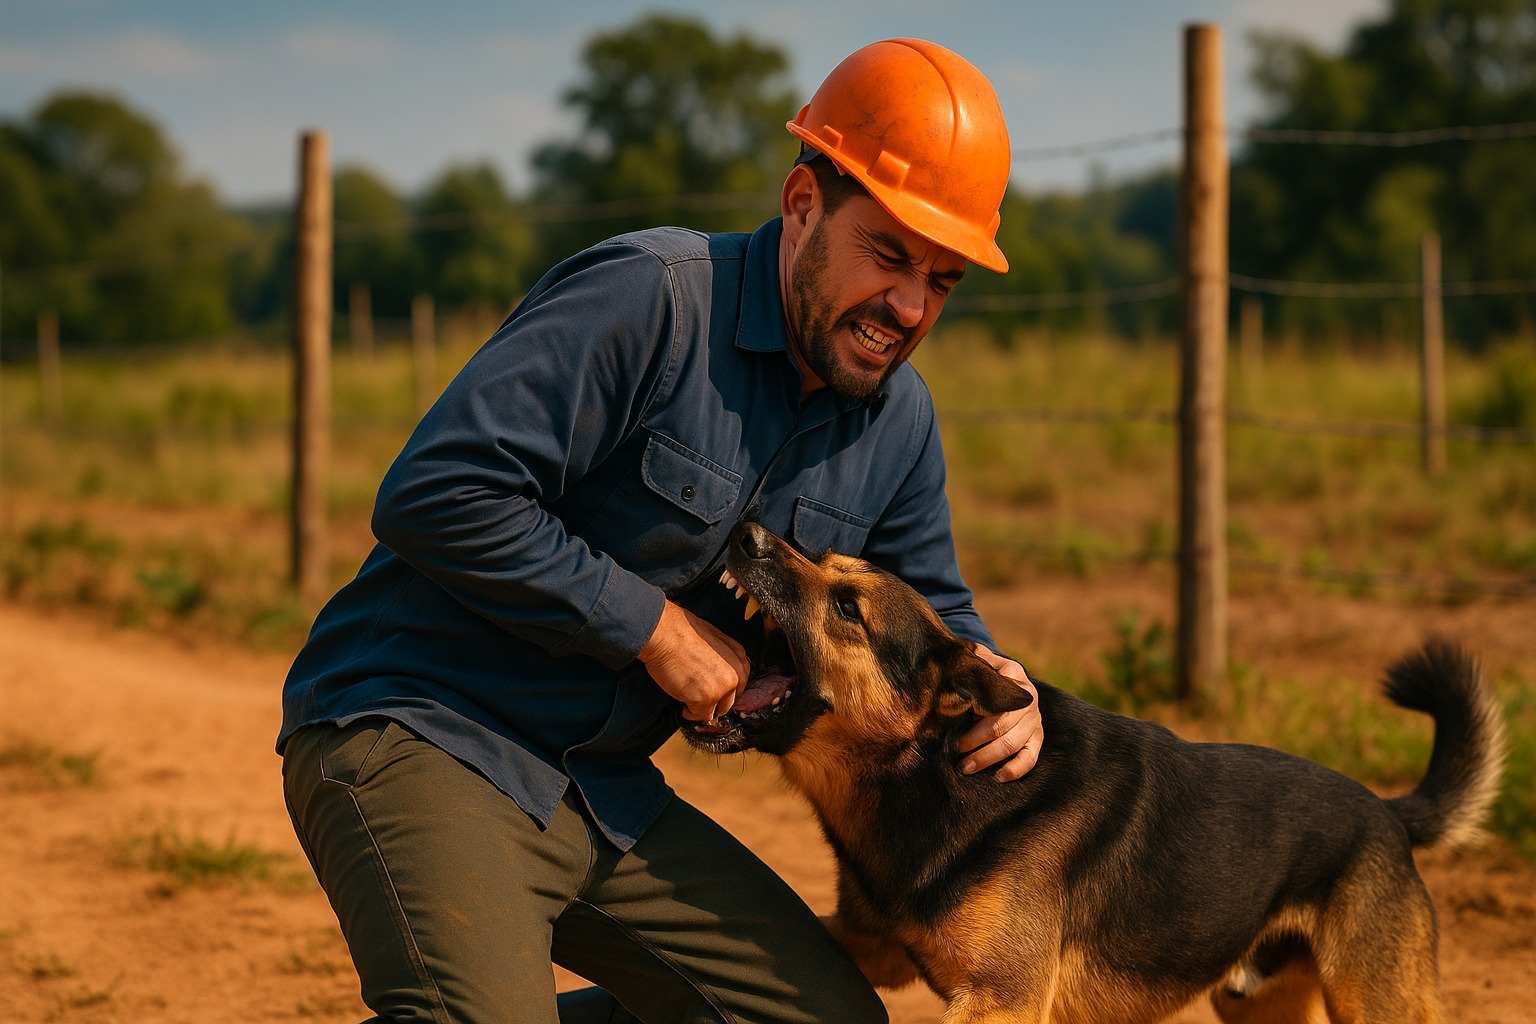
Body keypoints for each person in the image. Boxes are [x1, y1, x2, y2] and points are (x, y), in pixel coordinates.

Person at [279, 37, 1043, 1024]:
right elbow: (438, 490)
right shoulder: (651, 302)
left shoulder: (897, 425)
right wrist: (652, 625)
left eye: (943, 281)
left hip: (600, 790)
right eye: (890, 254)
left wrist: (1013, 700)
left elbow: (934, 631)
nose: (908, 306)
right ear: (802, 207)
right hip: (427, 726)